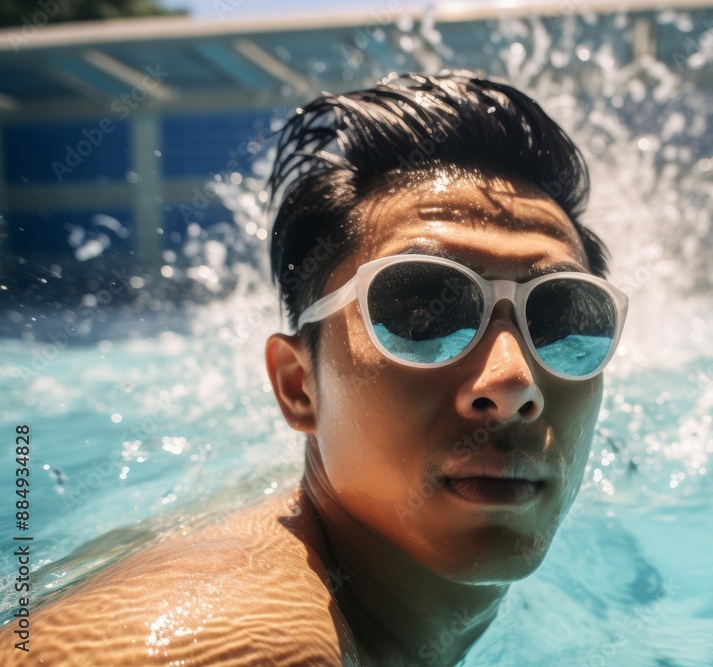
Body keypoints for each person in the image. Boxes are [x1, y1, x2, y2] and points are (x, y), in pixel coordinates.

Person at [7, 70, 628, 666]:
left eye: (561, 318)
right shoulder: (251, 645)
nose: (512, 382)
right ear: (299, 385)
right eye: (421, 315)